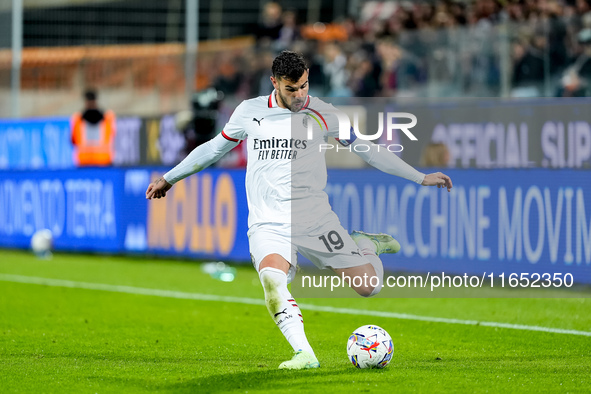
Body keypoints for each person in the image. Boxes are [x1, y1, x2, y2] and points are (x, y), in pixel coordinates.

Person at [145, 51, 452, 370]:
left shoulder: (324, 113)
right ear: (274, 82)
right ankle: (305, 354)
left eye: (304, 86)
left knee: (367, 287)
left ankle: (365, 244)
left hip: (315, 220)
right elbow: (213, 149)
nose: (300, 95)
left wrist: (419, 176)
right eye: (292, 89)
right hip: (268, 222)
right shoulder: (250, 112)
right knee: (272, 281)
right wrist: (170, 177)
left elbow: (368, 150)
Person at [71, 89, 116, 166]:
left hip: (84, 161)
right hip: (103, 160)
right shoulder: (108, 117)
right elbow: (113, 135)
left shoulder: (78, 118)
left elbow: (73, 140)